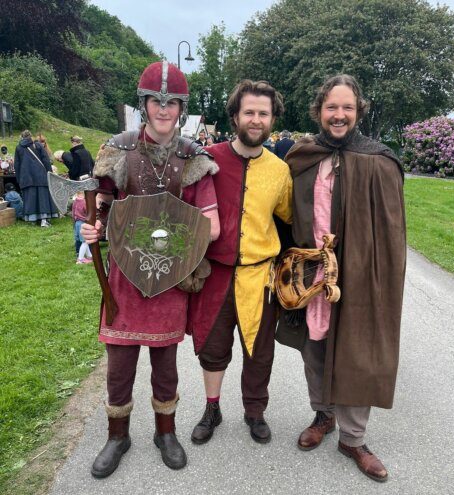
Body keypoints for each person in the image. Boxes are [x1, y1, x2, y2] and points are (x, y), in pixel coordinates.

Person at [81, 60, 220, 478]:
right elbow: (99, 204)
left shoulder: (194, 159)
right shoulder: (119, 150)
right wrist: (93, 227)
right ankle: (117, 436)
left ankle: (166, 433)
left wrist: (169, 235)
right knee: (119, 363)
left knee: (165, 362)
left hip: (169, 276)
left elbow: (210, 226)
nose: (163, 109)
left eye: (171, 102)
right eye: (156, 101)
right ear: (144, 104)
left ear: (181, 108)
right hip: (125, 277)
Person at [281, 74, 406, 482]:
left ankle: (353, 438)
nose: (339, 115)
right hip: (310, 272)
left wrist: (376, 275)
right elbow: (282, 213)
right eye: (331, 107)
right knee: (314, 348)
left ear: (358, 111)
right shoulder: (302, 156)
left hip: (358, 273)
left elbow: (391, 232)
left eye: (347, 108)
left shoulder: (378, 160)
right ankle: (323, 415)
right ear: (319, 111)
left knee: (358, 351)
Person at [188, 80, 292, 445]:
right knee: (213, 349)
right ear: (235, 116)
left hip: (259, 277)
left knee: (259, 352)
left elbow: (287, 217)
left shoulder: (280, 171)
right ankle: (212, 407)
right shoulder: (208, 159)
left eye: (263, 113)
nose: (255, 119)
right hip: (214, 274)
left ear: (272, 119)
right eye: (249, 112)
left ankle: (255, 411)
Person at [13, 130, 59, 227]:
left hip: (26, 177)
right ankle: (44, 220)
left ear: (22, 137)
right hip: (40, 175)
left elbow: (17, 165)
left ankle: (32, 220)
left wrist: (19, 178)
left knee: (30, 198)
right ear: (30, 136)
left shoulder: (18, 148)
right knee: (43, 198)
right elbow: (45, 160)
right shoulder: (37, 145)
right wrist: (49, 172)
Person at [72, 191, 93, 264]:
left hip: (77, 223)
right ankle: (80, 259)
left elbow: (73, 212)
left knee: (84, 241)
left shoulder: (75, 201)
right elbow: (88, 212)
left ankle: (89, 256)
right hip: (83, 223)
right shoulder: (84, 202)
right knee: (85, 242)